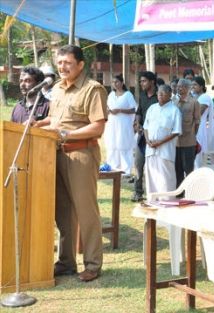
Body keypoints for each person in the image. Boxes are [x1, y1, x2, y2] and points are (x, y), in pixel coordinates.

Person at [35, 45, 107, 282]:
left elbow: (97, 126)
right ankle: (66, 262)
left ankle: (93, 265)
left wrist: (65, 134)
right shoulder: (56, 88)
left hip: (81, 155)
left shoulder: (92, 89)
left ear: (80, 64)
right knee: (63, 212)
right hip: (56, 154)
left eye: (67, 62)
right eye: (59, 62)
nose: (62, 67)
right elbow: (56, 119)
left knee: (86, 212)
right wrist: (40, 124)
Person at [143, 84, 182, 194]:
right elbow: (146, 126)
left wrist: (160, 142)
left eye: (163, 92)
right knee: (151, 176)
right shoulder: (152, 108)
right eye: (159, 92)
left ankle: (167, 202)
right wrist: (147, 140)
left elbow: (176, 131)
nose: (160, 94)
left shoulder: (174, 110)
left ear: (170, 95)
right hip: (150, 149)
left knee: (165, 178)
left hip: (165, 150)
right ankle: (152, 201)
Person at [103, 74, 137, 175]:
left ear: (122, 83)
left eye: (117, 82)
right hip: (112, 123)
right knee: (112, 143)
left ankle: (126, 169)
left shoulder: (128, 95)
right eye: (113, 82)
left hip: (123, 123)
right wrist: (109, 110)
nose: (115, 84)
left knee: (123, 144)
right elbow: (107, 106)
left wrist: (120, 110)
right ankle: (113, 166)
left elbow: (133, 109)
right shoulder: (111, 95)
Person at [132, 71, 157, 202]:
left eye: (144, 81)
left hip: (155, 138)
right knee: (138, 164)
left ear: (152, 82)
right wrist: (136, 123)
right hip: (142, 136)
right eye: (141, 81)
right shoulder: (142, 96)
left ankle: (154, 193)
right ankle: (138, 192)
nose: (142, 83)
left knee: (153, 167)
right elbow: (139, 112)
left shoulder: (160, 96)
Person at [175, 78, 200, 187]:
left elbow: (197, 121)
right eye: (178, 86)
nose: (178, 89)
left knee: (188, 168)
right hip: (175, 141)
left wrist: (192, 134)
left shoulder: (194, 102)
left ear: (186, 88)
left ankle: (190, 190)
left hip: (189, 140)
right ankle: (179, 192)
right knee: (177, 168)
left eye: (181, 87)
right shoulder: (174, 101)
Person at [191, 76, 214, 169]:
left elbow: (198, 114)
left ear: (201, 86)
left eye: (195, 85)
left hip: (200, 127)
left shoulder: (205, 97)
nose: (192, 87)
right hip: (192, 126)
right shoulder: (194, 97)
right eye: (192, 85)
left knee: (198, 153)